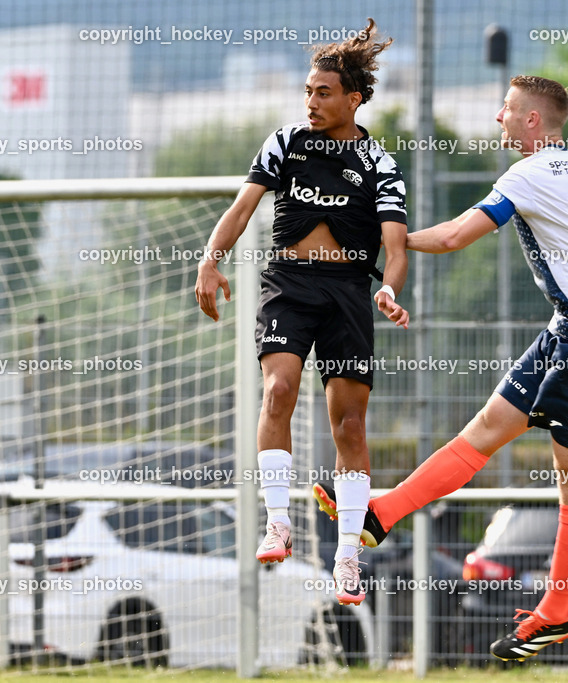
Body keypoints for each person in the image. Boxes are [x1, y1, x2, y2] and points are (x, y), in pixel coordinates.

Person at [313, 75, 568, 657]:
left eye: (507, 109)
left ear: (533, 121)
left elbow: (459, 235)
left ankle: (558, 611)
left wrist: (393, 241)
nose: (498, 118)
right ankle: (382, 514)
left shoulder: (530, 173)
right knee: (485, 431)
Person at [194, 19, 409, 607]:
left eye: (323, 92)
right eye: (308, 91)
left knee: (349, 425)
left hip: (347, 293)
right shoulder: (285, 141)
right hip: (288, 285)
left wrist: (387, 290)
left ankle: (346, 557)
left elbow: (394, 244)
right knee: (278, 392)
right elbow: (242, 208)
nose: (311, 102)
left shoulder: (378, 162)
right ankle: (279, 522)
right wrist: (210, 260)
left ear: (354, 99)